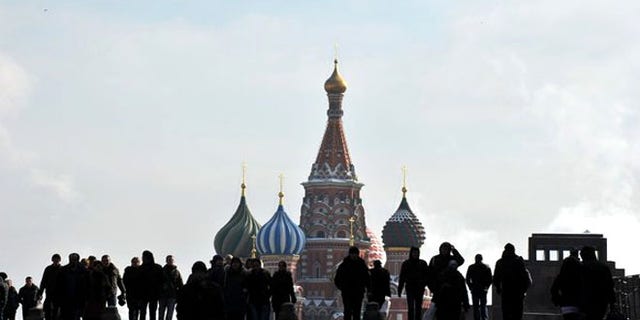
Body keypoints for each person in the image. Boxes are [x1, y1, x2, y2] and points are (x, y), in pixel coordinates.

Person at [426, 242, 464, 320]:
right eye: (443, 249)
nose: (445, 251)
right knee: (439, 312)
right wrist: (433, 288)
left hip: (451, 292)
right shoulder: (435, 259)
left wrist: (454, 250)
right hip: (439, 290)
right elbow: (429, 275)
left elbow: (461, 260)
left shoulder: (452, 259)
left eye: (447, 249)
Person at [493, 243, 531, 320]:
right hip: (517, 293)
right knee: (517, 315)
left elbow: (496, 278)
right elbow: (525, 277)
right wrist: (524, 291)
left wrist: (498, 288)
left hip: (507, 292)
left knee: (506, 315)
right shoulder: (518, 261)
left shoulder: (500, 262)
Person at [334, 246, 371, 320]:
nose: (354, 255)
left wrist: (367, 289)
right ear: (350, 254)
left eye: (355, 254)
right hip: (348, 292)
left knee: (356, 311)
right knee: (348, 311)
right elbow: (337, 279)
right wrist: (343, 288)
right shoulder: (344, 265)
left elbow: (367, 278)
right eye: (352, 254)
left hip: (357, 292)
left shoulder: (361, 265)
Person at [579, 246, 615, 320]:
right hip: (601, 301)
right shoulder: (604, 268)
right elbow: (610, 286)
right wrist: (612, 303)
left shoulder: (581, 268)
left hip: (585, 302)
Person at [398, 247, 429, 320]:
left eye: (417, 253)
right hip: (410, 288)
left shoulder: (423, 263)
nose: (415, 254)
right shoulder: (406, 264)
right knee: (411, 307)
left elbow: (427, 275)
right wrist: (400, 289)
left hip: (419, 288)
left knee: (418, 307)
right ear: (411, 253)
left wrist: (423, 283)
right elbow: (402, 277)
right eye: (414, 253)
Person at [550, 249, 582, 320]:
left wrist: (559, 301)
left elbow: (553, 289)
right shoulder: (580, 275)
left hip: (566, 305)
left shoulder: (562, 276)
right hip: (578, 304)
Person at [57, 253, 88, 320]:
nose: (73, 260)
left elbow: (87, 284)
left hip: (79, 298)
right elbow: (59, 285)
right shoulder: (63, 270)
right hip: (66, 298)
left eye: (75, 259)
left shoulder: (83, 270)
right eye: (72, 259)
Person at [466, 254, 492, 320]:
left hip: (475, 289)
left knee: (476, 307)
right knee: (483, 306)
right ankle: (484, 318)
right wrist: (486, 287)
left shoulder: (471, 267)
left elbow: (467, 278)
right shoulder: (486, 267)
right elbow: (490, 279)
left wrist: (470, 287)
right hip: (482, 289)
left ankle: (477, 318)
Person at [140, 250, 165, 320]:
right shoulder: (157, 267)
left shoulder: (142, 268)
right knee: (147, 312)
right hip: (146, 294)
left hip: (152, 294)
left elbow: (162, 280)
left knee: (149, 312)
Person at [38, 253, 62, 320]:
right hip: (49, 293)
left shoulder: (62, 269)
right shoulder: (48, 269)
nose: (56, 260)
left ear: (59, 260)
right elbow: (43, 281)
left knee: (57, 312)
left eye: (57, 259)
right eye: (54, 259)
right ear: (52, 260)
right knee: (47, 311)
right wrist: (40, 293)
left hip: (59, 295)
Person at [159, 255, 183, 320]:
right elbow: (158, 282)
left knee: (169, 316)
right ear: (166, 261)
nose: (170, 261)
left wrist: (179, 296)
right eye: (169, 260)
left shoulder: (177, 272)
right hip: (163, 295)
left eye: (171, 260)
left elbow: (180, 285)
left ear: (173, 261)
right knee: (161, 315)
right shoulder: (162, 271)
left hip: (172, 296)